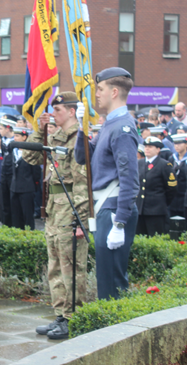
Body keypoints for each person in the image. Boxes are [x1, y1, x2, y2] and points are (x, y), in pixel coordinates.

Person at [24, 92, 89, 340]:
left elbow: (83, 183)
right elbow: (30, 157)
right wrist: (40, 131)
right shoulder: (57, 136)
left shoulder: (79, 140)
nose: (53, 114)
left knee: (72, 266)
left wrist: (80, 219)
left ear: (72, 111)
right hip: (54, 207)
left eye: (58, 110)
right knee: (55, 266)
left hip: (70, 207)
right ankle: (61, 314)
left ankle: (74, 318)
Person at [75, 67, 140, 301]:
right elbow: (84, 158)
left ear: (114, 92)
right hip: (106, 207)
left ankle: (117, 332)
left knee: (112, 281)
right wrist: (80, 126)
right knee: (106, 278)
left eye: (100, 89)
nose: (97, 94)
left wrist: (120, 223)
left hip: (114, 210)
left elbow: (130, 180)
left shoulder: (122, 127)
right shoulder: (110, 123)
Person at [136, 137, 177, 237]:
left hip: (156, 210)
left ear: (158, 149)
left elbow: (171, 189)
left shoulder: (164, 165)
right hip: (140, 209)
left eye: (150, 147)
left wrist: (162, 202)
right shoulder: (139, 163)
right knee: (140, 238)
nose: (147, 149)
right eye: (146, 147)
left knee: (156, 237)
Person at [11, 127, 41, 230]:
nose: (15, 138)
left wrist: (33, 185)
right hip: (14, 187)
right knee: (16, 215)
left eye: (17, 136)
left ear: (24, 137)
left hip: (27, 188)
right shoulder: (13, 151)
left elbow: (36, 172)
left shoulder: (30, 153)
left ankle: (29, 236)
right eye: (14, 136)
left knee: (27, 215)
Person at [0, 117, 17, 227]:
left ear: (8, 128)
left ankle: (14, 224)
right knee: (4, 199)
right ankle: (6, 223)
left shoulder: (15, 141)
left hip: (12, 174)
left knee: (12, 201)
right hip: (4, 173)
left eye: (1, 128)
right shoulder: (3, 140)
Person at [169, 134, 187, 218]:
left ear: (186, 144)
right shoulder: (172, 158)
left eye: (179, 143)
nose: (177, 146)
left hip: (185, 193)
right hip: (174, 194)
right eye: (175, 144)